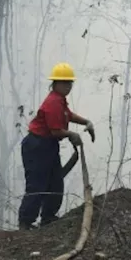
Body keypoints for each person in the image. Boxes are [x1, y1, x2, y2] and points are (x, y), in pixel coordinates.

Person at [18, 62, 94, 230]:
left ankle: (48, 217)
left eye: (70, 83)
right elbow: (55, 131)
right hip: (37, 146)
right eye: (65, 83)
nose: (68, 86)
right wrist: (71, 134)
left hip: (49, 146)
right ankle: (25, 222)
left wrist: (86, 121)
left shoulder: (60, 101)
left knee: (55, 182)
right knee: (37, 184)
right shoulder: (52, 102)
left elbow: (68, 114)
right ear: (56, 83)